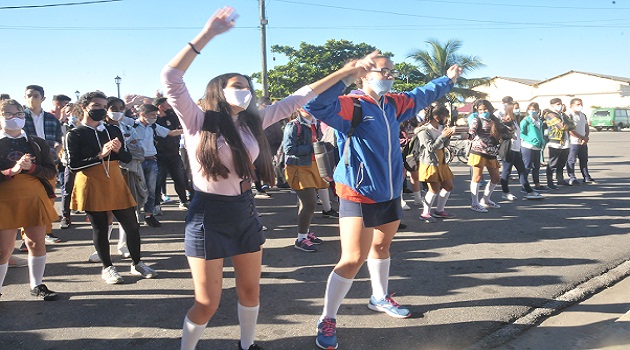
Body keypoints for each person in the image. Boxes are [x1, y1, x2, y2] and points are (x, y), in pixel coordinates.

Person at [160, 7, 372, 350]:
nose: (245, 91)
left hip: (243, 212)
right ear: (219, 90)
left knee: (250, 290)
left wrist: (344, 72)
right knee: (207, 302)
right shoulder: (197, 121)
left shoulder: (252, 123)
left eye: (247, 87)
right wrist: (208, 33)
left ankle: (247, 344)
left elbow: (300, 96)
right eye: (237, 86)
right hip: (207, 216)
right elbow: (171, 77)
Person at [304, 48, 461, 348]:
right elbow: (316, 103)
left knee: (381, 246)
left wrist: (447, 80)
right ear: (364, 73)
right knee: (351, 259)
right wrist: (346, 76)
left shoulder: (393, 104)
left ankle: (379, 297)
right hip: (358, 193)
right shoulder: (352, 105)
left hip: (389, 191)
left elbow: (423, 94)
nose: (389, 76)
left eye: (392, 71)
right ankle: (327, 318)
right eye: (383, 71)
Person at [66, 91, 157, 284]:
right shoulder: (75, 133)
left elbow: (126, 158)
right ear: (84, 107)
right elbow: (73, 165)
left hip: (115, 178)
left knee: (132, 224)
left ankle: (137, 263)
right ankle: (107, 267)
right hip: (91, 181)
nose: (101, 109)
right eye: (96, 105)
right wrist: (100, 155)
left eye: (103, 106)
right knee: (100, 227)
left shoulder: (112, 130)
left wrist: (117, 151)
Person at [0, 99, 59, 300]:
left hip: (34, 197)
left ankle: (37, 284)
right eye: (8, 114)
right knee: (3, 249)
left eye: (18, 114)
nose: (14, 118)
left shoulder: (36, 143)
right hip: (4, 199)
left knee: (36, 242)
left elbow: (51, 171)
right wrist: (12, 170)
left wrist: (31, 168)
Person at [282, 108, 333, 252]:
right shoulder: (293, 125)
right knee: (310, 203)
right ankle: (301, 238)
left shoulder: (315, 123)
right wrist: (312, 147)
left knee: (307, 204)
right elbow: (289, 149)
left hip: (314, 165)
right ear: (298, 108)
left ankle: (305, 233)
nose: (310, 108)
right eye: (306, 105)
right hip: (299, 167)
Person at [23, 85, 63, 244]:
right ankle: (26, 237)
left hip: (48, 164)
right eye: (28, 95)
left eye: (35, 95)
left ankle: (47, 232)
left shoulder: (52, 119)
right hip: (27, 164)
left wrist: (55, 155)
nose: (32, 98)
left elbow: (59, 140)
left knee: (49, 198)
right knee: (27, 201)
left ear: (43, 98)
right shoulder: (20, 118)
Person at [133, 103, 183, 226]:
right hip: (136, 162)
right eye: (152, 115)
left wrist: (188, 129)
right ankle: (135, 216)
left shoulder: (154, 126)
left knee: (152, 188)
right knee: (136, 189)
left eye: (156, 115)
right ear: (142, 115)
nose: (155, 117)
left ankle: (149, 214)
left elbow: (170, 133)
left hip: (151, 160)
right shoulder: (132, 126)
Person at [468, 100, 511, 213]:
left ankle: (486, 199)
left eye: (485, 109)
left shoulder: (495, 120)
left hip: (492, 152)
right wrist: (469, 135)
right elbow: (472, 131)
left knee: (496, 178)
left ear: (490, 109)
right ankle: (474, 203)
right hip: (478, 151)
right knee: (477, 177)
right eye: (480, 110)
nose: (483, 112)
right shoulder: (476, 120)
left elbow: (507, 131)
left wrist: (509, 123)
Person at [415, 104, 456, 222]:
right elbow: (430, 147)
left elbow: (444, 144)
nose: (446, 119)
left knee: (449, 186)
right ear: (436, 116)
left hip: (441, 160)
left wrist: (448, 136)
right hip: (430, 161)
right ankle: (425, 213)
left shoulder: (440, 127)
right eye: (444, 116)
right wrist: (443, 136)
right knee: (434, 188)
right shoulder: (424, 130)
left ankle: (439, 210)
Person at [499, 103, 543, 201]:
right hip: (508, 150)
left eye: (518, 108)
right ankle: (505, 192)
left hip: (516, 149)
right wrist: (510, 135)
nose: (517, 110)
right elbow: (501, 134)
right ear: (510, 110)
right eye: (515, 108)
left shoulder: (515, 121)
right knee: (506, 172)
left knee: (522, 171)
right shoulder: (505, 121)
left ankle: (529, 191)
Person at [154, 97, 190, 210]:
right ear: (160, 106)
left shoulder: (172, 116)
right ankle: (156, 205)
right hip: (159, 156)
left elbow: (180, 124)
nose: (169, 106)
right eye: (167, 104)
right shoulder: (154, 120)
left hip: (174, 154)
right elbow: (171, 133)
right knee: (158, 181)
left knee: (179, 179)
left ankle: (183, 201)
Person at [543, 98, 573, 190]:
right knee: (552, 163)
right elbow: (561, 127)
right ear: (552, 105)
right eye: (557, 104)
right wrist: (566, 125)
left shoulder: (563, 114)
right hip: (555, 142)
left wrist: (567, 125)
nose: (560, 105)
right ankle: (550, 182)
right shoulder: (550, 115)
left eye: (561, 104)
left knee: (562, 162)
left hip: (565, 141)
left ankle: (560, 179)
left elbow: (572, 125)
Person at [566, 98, 595, 185]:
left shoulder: (583, 115)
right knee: (571, 160)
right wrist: (582, 137)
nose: (580, 106)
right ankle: (572, 177)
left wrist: (586, 137)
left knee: (584, 159)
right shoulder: (568, 115)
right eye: (578, 104)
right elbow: (570, 131)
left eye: (581, 104)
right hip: (572, 142)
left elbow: (586, 126)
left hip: (582, 141)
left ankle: (586, 176)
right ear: (572, 105)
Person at [520, 102, 548, 191]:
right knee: (526, 167)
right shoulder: (526, 120)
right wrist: (530, 139)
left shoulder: (539, 121)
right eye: (530, 109)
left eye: (534, 109)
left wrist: (542, 140)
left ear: (538, 110)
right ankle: (524, 186)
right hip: (527, 146)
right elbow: (521, 133)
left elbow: (540, 133)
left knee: (536, 166)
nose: (532, 111)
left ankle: (537, 184)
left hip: (537, 147)